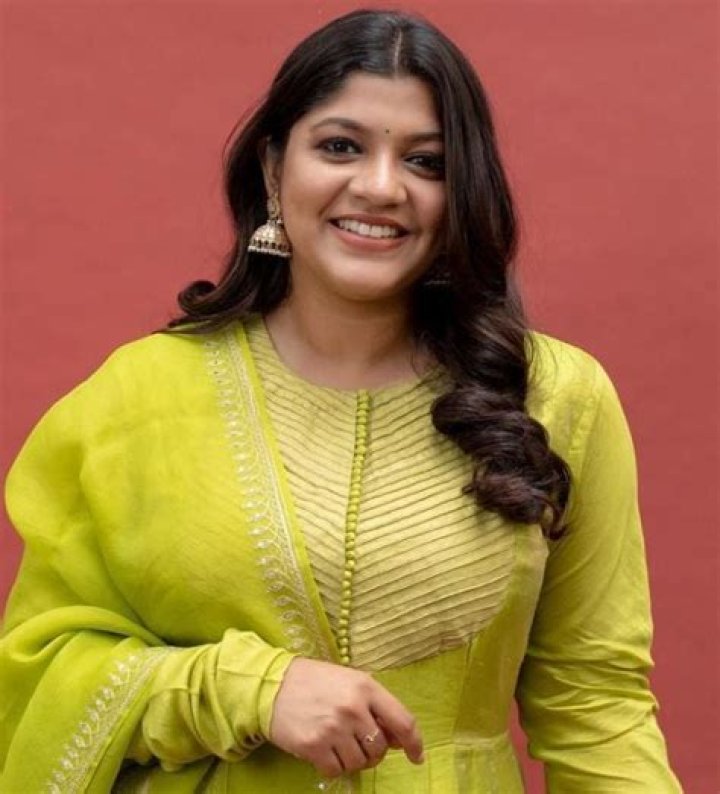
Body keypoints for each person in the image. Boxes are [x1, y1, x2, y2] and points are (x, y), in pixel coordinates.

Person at [0, 8, 682, 793]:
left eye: (426, 161)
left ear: (462, 191)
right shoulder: (136, 399)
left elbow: (597, 705)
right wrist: (246, 689)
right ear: (272, 169)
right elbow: (36, 674)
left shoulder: (554, 399)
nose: (381, 187)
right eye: (340, 147)